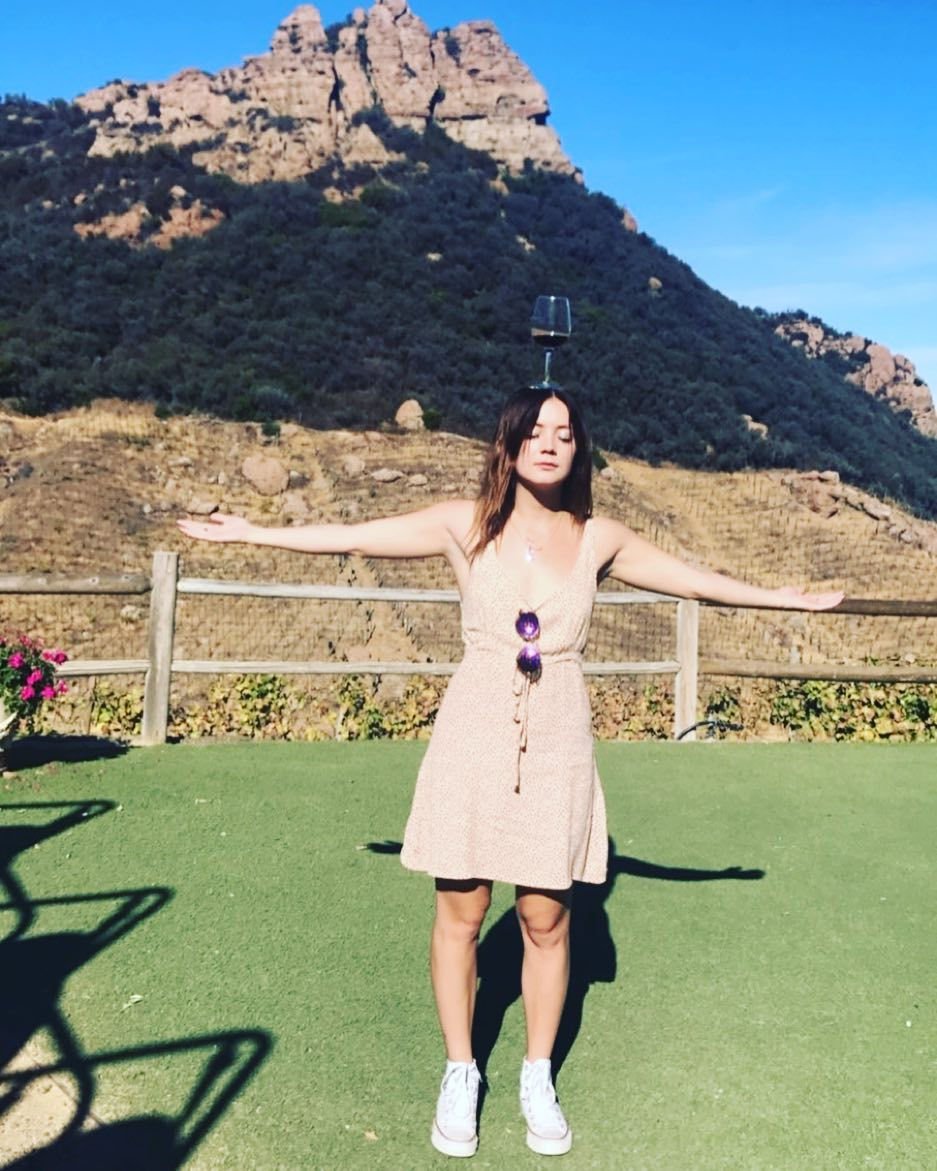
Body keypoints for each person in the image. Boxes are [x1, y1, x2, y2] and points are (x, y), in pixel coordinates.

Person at [178, 387, 843, 1158]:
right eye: (535, 430)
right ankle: (460, 1069)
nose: (549, 443)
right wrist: (252, 531)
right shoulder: (464, 525)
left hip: (557, 736)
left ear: (578, 449)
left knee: (546, 918)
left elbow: (694, 579)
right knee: (460, 912)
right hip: (473, 732)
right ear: (510, 443)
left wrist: (782, 600)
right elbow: (352, 536)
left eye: (564, 432)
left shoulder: (599, 538)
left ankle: (535, 1074)